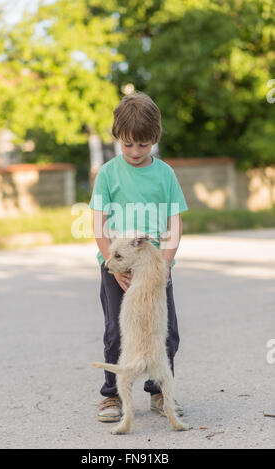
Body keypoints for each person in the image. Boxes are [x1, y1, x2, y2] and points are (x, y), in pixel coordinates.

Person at [89, 91, 189, 422]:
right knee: (119, 332)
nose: (135, 151)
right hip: (117, 267)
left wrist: (166, 262)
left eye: (143, 145)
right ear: (118, 137)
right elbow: (98, 224)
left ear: (155, 139)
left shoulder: (165, 175)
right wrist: (110, 264)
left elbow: (174, 224)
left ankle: (161, 393)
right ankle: (112, 395)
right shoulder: (107, 174)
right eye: (128, 144)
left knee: (165, 331)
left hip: (154, 270)